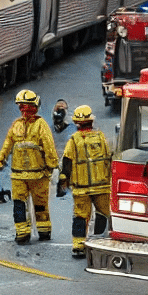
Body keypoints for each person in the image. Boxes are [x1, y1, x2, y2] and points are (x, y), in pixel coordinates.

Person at [0, 89, 58, 244]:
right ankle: (39, 232)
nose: (24, 110)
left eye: (25, 106)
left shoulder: (23, 125)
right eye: (23, 107)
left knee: (25, 204)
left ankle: (27, 233)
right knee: (34, 204)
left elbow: (7, 145)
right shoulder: (36, 125)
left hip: (24, 175)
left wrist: (0, 161)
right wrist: (52, 165)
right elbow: (48, 147)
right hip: (33, 175)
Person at [57, 105, 112, 257]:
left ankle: (79, 246)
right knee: (103, 213)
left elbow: (67, 163)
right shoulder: (101, 137)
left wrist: (63, 181)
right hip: (102, 186)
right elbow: (109, 159)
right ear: (91, 121)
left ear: (77, 123)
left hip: (81, 188)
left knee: (81, 216)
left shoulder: (74, 140)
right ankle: (98, 243)